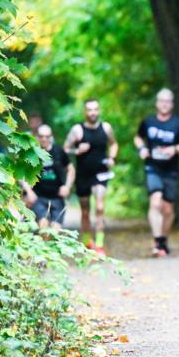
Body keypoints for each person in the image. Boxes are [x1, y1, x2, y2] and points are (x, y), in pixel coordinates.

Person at [134, 88, 179, 257]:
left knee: (167, 209)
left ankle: (163, 241)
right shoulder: (148, 121)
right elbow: (138, 137)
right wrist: (142, 148)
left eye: (168, 101)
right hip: (152, 167)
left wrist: (173, 149)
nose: (165, 104)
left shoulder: (178, 123)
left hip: (171, 170)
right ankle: (157, 241)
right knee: (155, 201)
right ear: (157, 103)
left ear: (172, 104)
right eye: (162, 101)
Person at [64, 99, 118, 255]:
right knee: (85, 211)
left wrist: (112, 158)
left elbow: (114, 144)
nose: (93, 112)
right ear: (85, 112)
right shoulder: (77, 130)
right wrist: (77, 151)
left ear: (99, 111)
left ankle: (100, 245)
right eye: (89, 110)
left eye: (95, 109)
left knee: (100, 208)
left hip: (101, 173)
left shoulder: (106, 128)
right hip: (83, 175)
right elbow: (65, 149)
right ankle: (87, 242)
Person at [22, 124, 74, 231]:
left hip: (57, 197)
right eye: (41, 136)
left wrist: (67, 187)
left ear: (51, 137)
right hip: (38, 197)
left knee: (55, 232)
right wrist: (28, 191)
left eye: (47, 136)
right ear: (36, 137)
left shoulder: (59, 151)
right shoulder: (31, 153)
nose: (44, 139)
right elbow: (21, 174)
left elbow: (71, 169)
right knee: (43, 226)